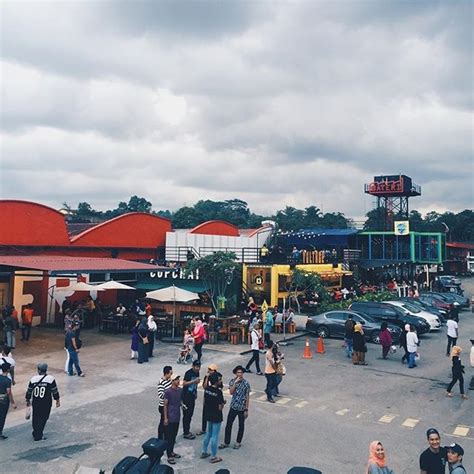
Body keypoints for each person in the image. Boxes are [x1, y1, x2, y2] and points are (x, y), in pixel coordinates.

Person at [25, 362, 60, 441]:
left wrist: (27, 399)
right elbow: (54, 390)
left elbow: (29, 391)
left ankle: (35, 432)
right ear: (46, 370)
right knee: (44, 417)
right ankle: (38, 434)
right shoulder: (50, 379)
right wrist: (57, 400)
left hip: (36, 401)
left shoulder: (33, 379)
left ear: (39, 370)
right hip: (46, 402)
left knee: (36, 417)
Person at [220, 365, 250, 450]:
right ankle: (226, 442)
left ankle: (238, 442)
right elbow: (231, 392)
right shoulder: (232, 381)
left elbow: (247, 396)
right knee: (229, 424)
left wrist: (246, 409)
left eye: (241, 372)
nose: (240, 374)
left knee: (241, 425)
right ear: (235, 373)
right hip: (233, 406)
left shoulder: (246, 383)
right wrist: (236, 383)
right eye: (238, 372)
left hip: (241, 407)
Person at [200, 371, 225, 464]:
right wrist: (223, 404)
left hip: (208, 413)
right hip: (216, 415)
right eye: (219, 380)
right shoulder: (218, 392)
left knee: (208, 433)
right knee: (215, 435)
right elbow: (220, 407)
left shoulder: (207, 389)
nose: (220, 381)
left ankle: (204, 451)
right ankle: (214, 456)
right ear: (216, 381)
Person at [164, 374, 183, 465]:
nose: (178, 381)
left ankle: (171, 451)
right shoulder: (168, 392)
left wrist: (182, 405)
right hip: (171, 417)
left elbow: (179, 401)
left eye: (178, 379)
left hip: (177, 416)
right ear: (172, 381)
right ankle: (169, 455)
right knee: (169, 437)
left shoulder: (180, 390)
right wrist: (166, 418)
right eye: (176, 380)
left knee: (174, 436)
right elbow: (165, 405)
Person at [182, 360, 201, 439]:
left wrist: (195, 392)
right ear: (193, 366)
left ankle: (187, 430)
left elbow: (195, 385)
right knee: (186, 415)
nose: (197, 368)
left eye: (199, 367)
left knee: (190, 414)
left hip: (192, 396)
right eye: (196, 367)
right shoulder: (188, 373)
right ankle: (185, 432)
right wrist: (194, 381)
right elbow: (184, 383)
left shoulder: (197, 373)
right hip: (186, 397)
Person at [197, 363, 218, 436]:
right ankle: (203, 429)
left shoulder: (218, 377)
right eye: (208, 369)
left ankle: (211, 429)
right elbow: (205, 387)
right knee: (205, 414)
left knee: (213, 414)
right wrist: (206, 378)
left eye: (210, 370)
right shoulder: (207, 377)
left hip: (214, 397)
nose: (209, 371)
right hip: (207, 397)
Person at [0, 362, 17, 439]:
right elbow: (9, 392)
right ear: (7, 370)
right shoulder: (7, 380)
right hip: (3, 400)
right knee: (2, 416)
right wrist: (13, 403)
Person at [157, 365, 173, 440]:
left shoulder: (169, 381)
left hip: (169, 405)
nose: (171, 374)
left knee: (167, 423)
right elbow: (161, 395)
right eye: (170, 373)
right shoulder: (161, 383)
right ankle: (160, 437)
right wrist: (169, 394)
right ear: (166, 374)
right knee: (163, 422)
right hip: (163, 406)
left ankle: (166, 437)